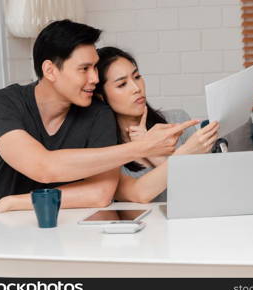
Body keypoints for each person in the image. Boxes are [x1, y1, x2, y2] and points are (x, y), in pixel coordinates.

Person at [0, 20, 197, 224]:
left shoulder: (98, 113)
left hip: (54, 226)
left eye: (95, 67)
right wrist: (142, 146)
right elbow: (42, 167)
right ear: (50, 71)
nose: (95, 78)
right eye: (84, 69)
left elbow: (100, 194)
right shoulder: (1, 103)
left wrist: (12, 202)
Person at [94, 46, 219, 203]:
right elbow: (138, 195)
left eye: (137, 76)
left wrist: (154, 154)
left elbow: (207, 189)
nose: (136, 88)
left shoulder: (177, 119)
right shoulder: (107, 151)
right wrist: (181, 152)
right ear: (101, 96)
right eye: (122, 84)